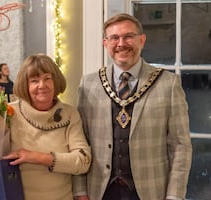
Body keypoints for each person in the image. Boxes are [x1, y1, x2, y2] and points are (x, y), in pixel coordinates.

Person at [74, 13, 192, 200]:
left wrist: (174, 196)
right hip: (100, 191)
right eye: (114, 38)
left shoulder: (168, 84)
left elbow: (180, 146)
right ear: (106, 44)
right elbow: (81, 142)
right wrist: (80, 191)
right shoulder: (89, 84)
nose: (121, 43)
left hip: (151, 191)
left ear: (142, 40)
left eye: (128, 36)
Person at [3, 54, 91, 200]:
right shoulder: (9, 113)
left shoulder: (70, 114)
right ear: (25, 85)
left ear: (56, 81)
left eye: (47, 78)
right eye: (34, 81)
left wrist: (35, 157)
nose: (42, 85)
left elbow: (82, 161)